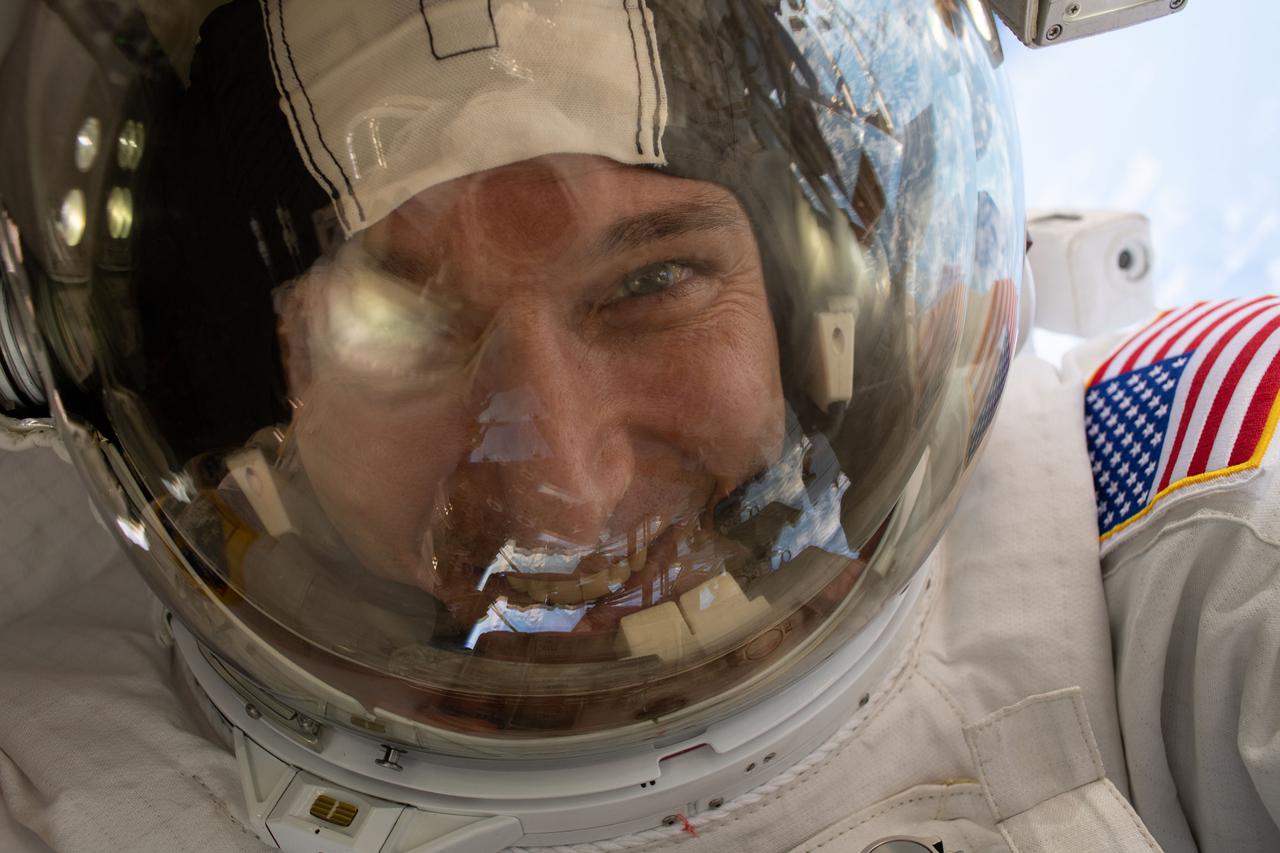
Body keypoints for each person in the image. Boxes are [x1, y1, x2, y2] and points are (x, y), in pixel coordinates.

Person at [0, 1, 1274, 851]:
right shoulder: (61, 773)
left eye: (651, 283)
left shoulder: (1160, 495)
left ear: (812, 312)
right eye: (400, 330)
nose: (566, 483)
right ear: (269, 399)